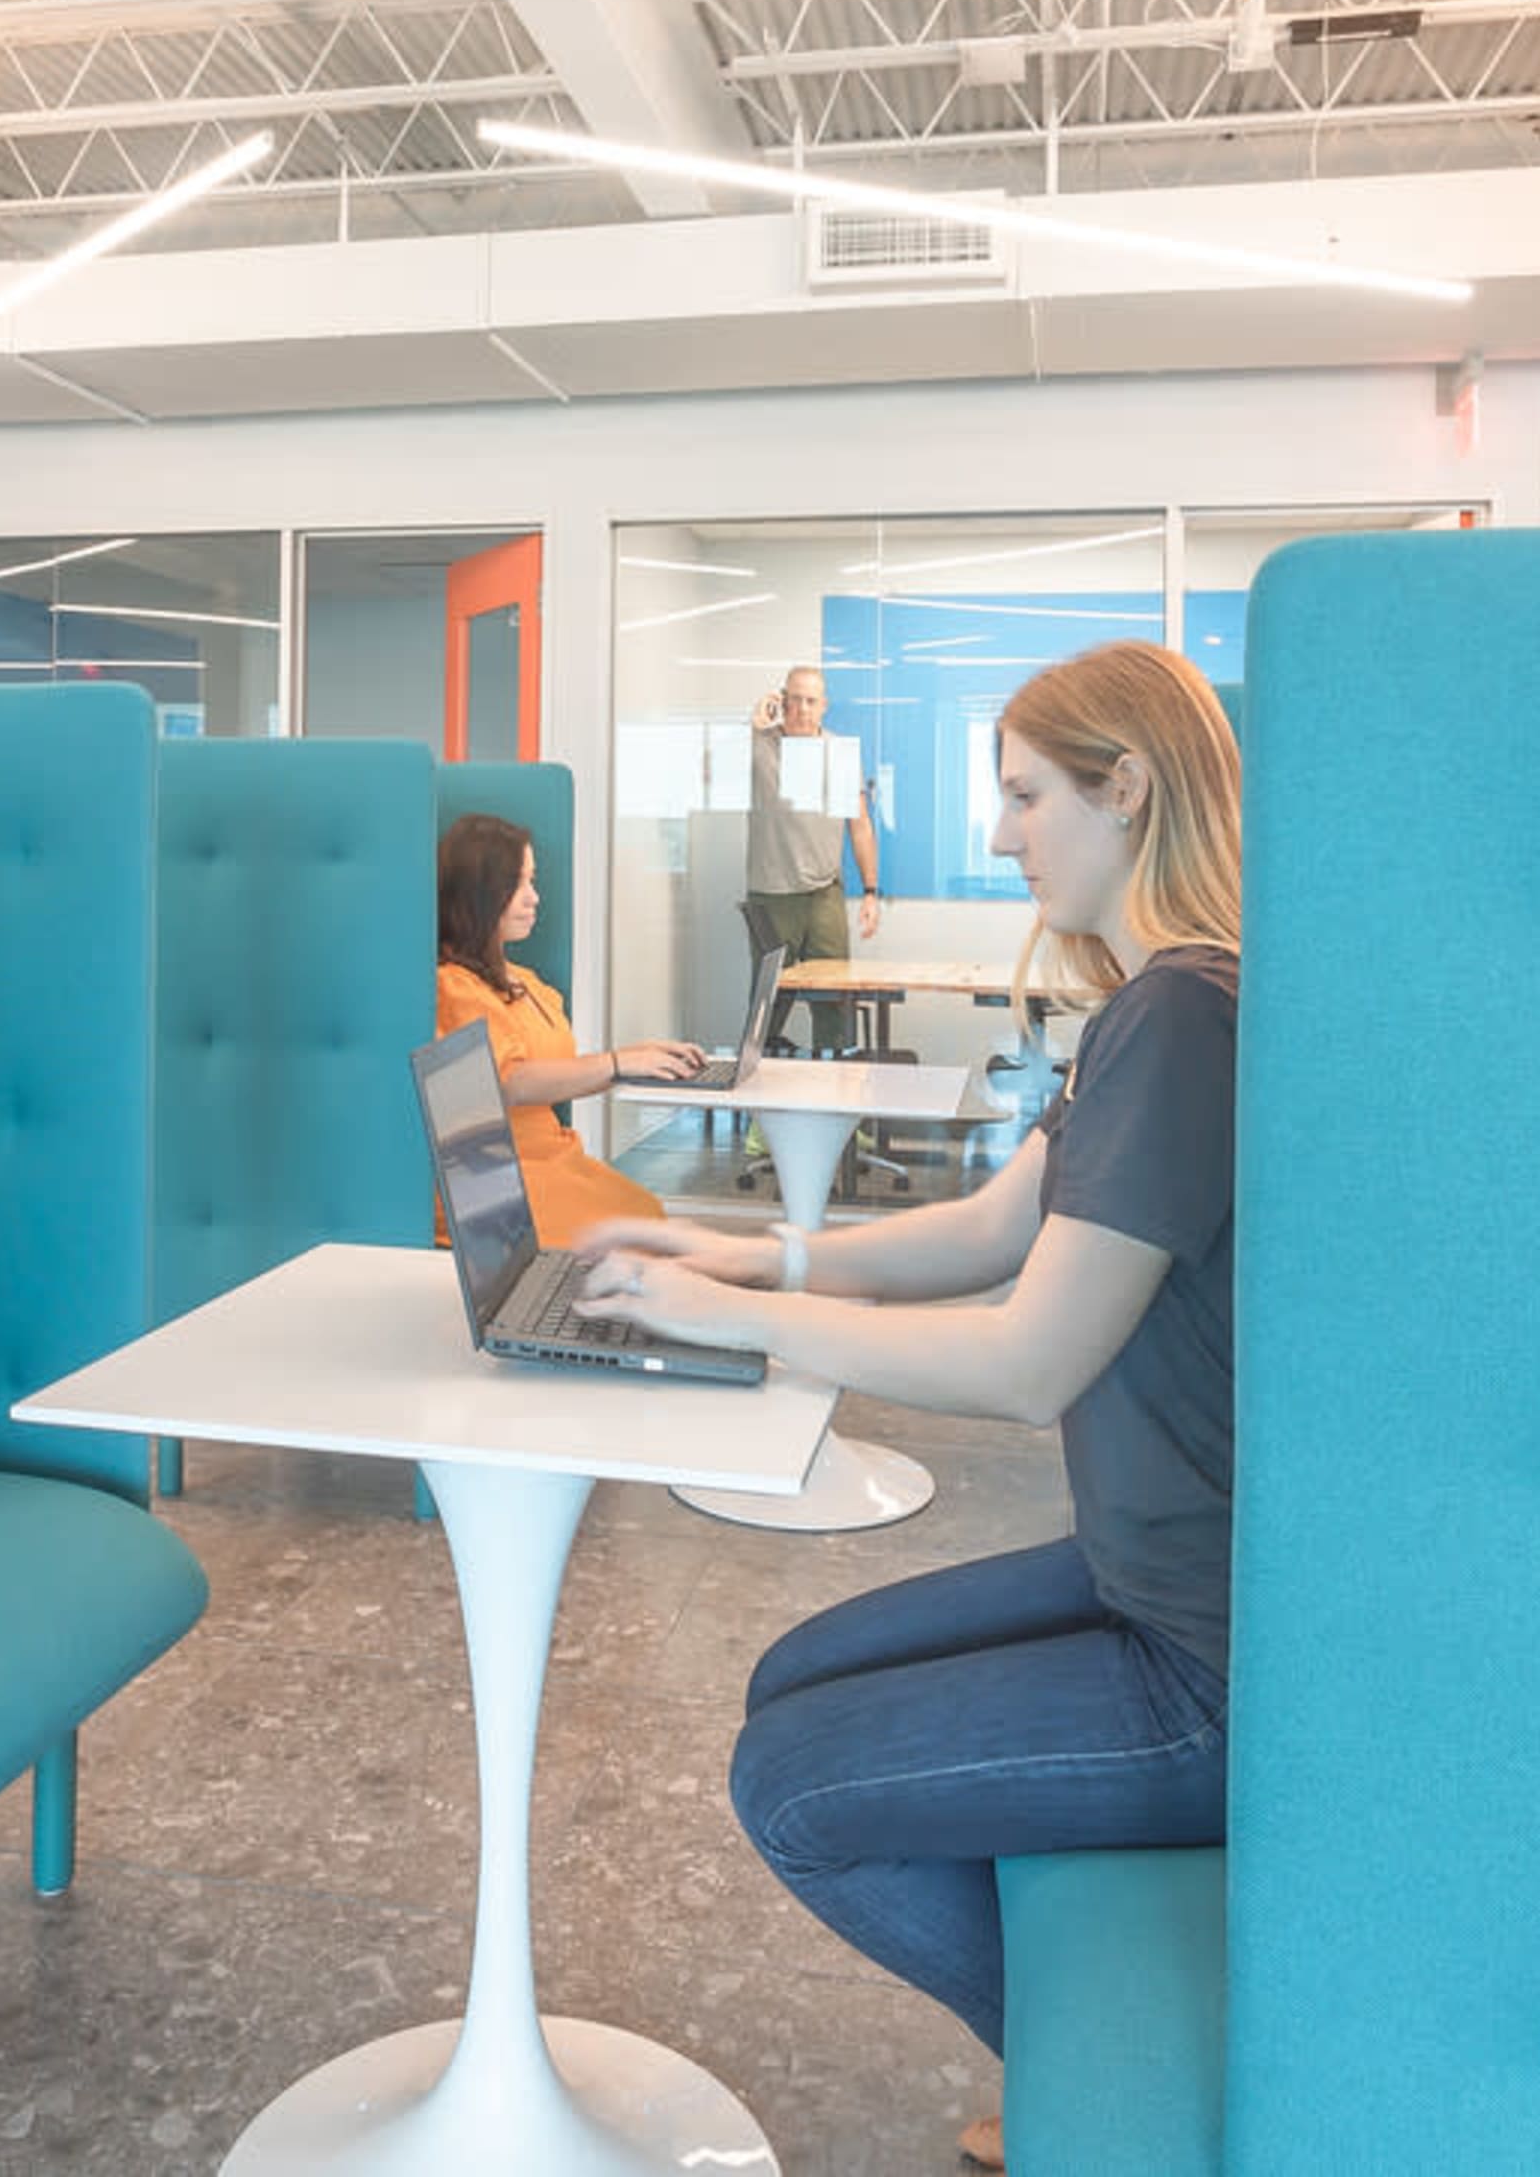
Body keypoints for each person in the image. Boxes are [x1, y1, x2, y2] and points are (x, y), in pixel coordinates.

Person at [576, 638, 1242, 2174]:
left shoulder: (1182, 1016)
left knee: (790, 1782)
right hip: (1157, 1581)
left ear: (1124, 787)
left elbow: (1026, 1358)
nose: (1003, 833)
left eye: (1023, 795)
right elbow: (997, 1231)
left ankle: (1088, 2081)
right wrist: (743, 1246)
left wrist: (737, 1321)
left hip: (1209, 1660)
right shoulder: (1157, 1005)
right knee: (793, 1671)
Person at [434, 813, 707, 1246]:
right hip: (497, 1175)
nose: (534, 898)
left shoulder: (523, 980)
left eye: (532, 881)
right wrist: (617, 1064)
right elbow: (507, 1082)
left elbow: (556, 1068)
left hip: (554, 1158)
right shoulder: (453, 985)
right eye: (518, 885)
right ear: (479, 893)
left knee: (651, 1220)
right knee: (644, 1243)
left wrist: (641, 1056)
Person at [750, 664, 885, 1055]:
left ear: (824, 706)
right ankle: (760, 1104)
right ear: (782, 699)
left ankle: (840, 1096)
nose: (803, 709)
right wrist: (752, 724)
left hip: (825, 892)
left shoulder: (839, 753)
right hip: (772, 896)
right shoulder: (760, 745)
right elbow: (707, 774)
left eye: (811, 701)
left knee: (833, 1002)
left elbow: (859, 825)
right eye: (795, 699)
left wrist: (872, 892)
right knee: (768, 1003)